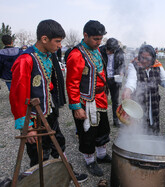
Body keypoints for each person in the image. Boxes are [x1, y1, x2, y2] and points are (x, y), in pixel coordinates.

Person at [9, 19, 87, 183]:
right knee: (39, 154)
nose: (60, 46)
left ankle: (64, 171)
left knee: (58, 142)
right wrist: (27, 127)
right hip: (34, 119)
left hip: (48, 113)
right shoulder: (26, 60)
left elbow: (46, 82)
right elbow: (17, 94)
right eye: (57, 42)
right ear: (44, 39)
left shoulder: (46, 56)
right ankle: (41, 181)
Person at [66, 20, 111, 177]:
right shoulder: (76, 55)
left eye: (100, 39)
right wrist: (76, 107)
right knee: (88, 132)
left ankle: (101, 155)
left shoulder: (96, 50)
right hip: (86, 101)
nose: (99, 43)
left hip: (100, 98)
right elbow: (71, 83)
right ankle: (90, 161)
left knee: (103, 128)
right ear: (85, 35)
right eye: (95, 39)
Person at [122, 45, 165, 134]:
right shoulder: (133, 65)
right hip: (139, 103)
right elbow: (131, 80)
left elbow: (164, 79)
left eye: (147, 58)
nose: (143, 61)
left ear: (153, 58)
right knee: (139, 129)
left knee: (154, 127)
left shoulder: (157, 65)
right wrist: (128, 90)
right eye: (142, 57)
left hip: (154, 103)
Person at [100, 38, 125, 127]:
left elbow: (123, 64)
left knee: (115, 101)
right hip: (104, 79)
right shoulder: (100, 50)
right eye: (107, 49)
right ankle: (102, 122)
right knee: (102, 101)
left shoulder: (119, 52)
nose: (107, 51)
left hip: (115, 79)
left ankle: (116, 121)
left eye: (110, 50)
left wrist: (122, 72)